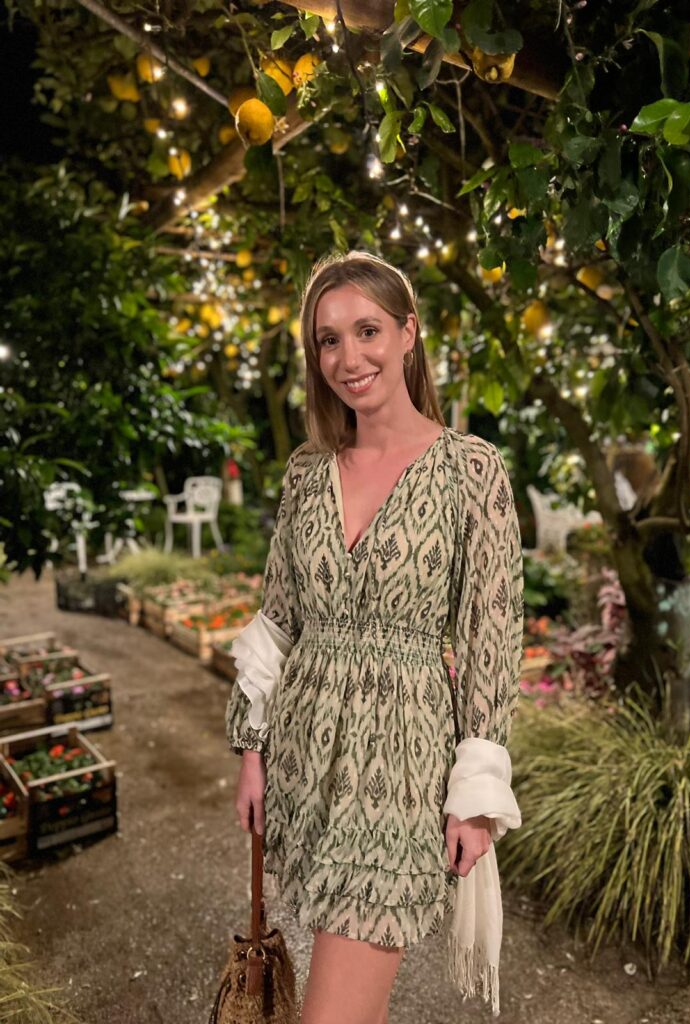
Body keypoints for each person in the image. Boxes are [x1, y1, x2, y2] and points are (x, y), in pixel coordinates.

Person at [225, 250, 525, 1023]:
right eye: (328, 340)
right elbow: (279, 620)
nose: (348, 358)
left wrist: (475, 798)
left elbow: (491, 639)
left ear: (409, 333)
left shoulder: (471, 470)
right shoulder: (305, 472)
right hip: (305, 761)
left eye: (367, 331)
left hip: (400, 770)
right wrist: (252, 749)